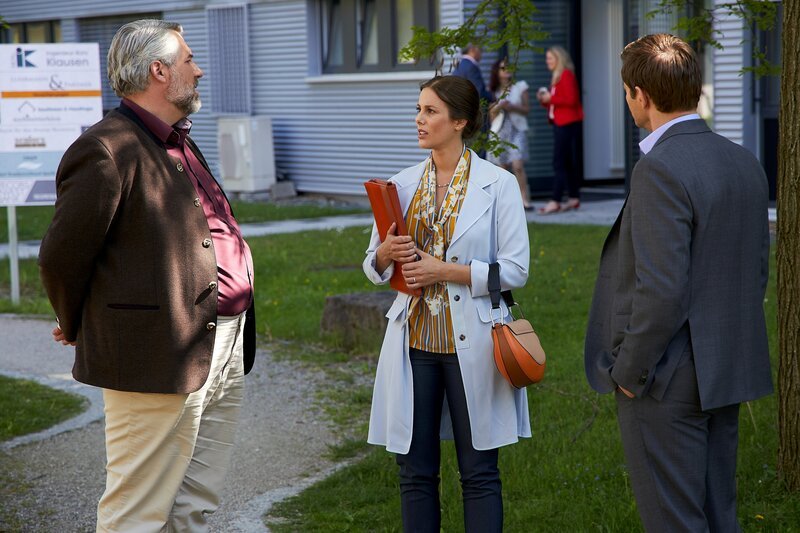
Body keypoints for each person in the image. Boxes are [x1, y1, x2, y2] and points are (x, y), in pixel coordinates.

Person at [38, 19, 257, 532]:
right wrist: (76, 321)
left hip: (222, 340)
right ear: (159, 71)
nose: (198, 71)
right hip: (156, 351)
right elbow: (60, 257)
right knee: (136, 510)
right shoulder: (107, 148)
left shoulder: (178, 139)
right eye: (189, 61)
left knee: (194, 502)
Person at [584, 34, 772, 532]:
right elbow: (755, 273)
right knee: (718, 516)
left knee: (675, 521)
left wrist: (629, 372)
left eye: (626, 92)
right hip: (725, 368)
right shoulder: (745, 161)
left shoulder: (658, 169)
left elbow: (662, 292)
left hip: (665, 379)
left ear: (640, 95)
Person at [363, 75, 530, 532]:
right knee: (414, 472)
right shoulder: (400, 185)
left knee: (479, 473)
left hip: (474, 343)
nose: (419, 119)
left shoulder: (498, 185)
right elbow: (372, 265)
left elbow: (515, 270)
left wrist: (445, 271)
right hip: (414, 343)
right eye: (418, 109)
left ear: (460, 122)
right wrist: (384, 254)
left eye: (430, 111)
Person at [536, 45, 584, 215]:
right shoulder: (557, 76)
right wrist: (545, 100)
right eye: (547, 58)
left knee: (559, 162)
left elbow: (571, 100)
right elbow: (558, 102)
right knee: (567, 161)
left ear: (559, 59)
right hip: (560, 122)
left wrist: (551, 98)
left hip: (567, 123)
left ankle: (555, 200)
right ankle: (573, 197)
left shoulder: (566, 75)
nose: (547, 61)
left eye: (550, 58)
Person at [487, 58, 532, 209]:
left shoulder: (520, 87)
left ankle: (524, 199)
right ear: (497, 72)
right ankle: (505, 203)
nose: (506, 70)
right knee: (502, 168)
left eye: (509, 67)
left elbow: (527, 109)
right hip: (499, 131)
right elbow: (491, 116)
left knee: (518, 165)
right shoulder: (493, 91)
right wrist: (499, 106)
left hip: (517, 129)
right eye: (503, 68)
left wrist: (512, 107)